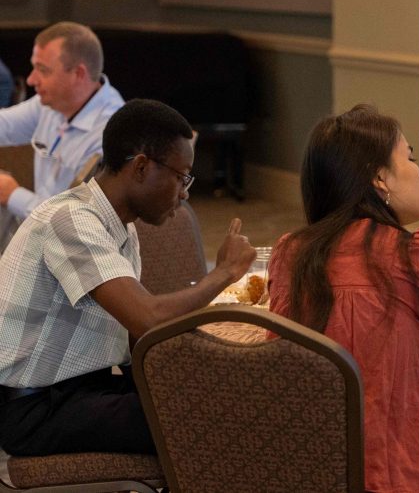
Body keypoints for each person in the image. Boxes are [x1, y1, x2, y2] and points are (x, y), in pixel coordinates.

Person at [0, 99, 256, 456]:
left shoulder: (119, 226)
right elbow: (146, 315)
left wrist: (196, 372)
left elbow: (139, 333)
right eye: (181, 177)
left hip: (79, 390)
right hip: (34, 408)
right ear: (140, 167)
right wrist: (225, 273)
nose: (184, 193)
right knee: (203, 417)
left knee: (215, 397)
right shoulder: (70, 220)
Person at [268, 104, 419, 493]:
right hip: (382, 480)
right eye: (410, 156)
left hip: (296, 472)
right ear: (380, 178)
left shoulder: (290, 253)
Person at [0, 22, 125, 248]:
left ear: (78, 74)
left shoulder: (109, 134)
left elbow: (74, 224)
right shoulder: (51, 103)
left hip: (71, 255)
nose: (31, 80)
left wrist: (13, 194)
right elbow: (4, 126)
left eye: (43, 70)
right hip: (37, 233)